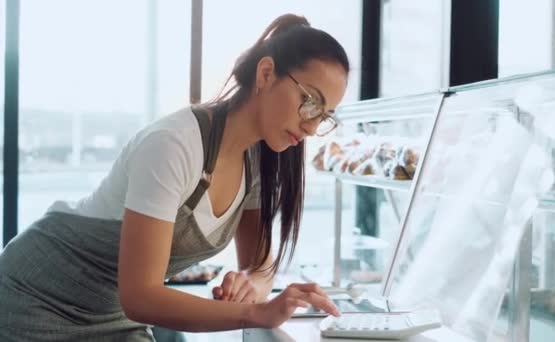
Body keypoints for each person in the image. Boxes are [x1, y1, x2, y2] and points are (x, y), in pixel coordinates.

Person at [0, 13, 349, 341]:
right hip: (35, 296)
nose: (312, 125)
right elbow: (141, 296)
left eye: (325, 116)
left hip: (112, 313)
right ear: (266, 73)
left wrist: (250, 286)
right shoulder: (174, 144)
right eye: (310, 102)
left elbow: (259, 266)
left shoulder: (258, 160)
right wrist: (253, 313)